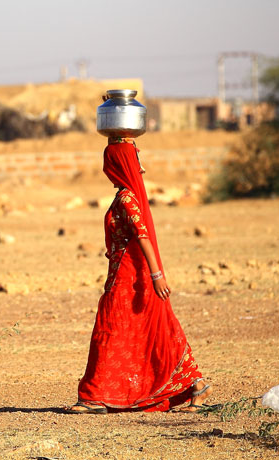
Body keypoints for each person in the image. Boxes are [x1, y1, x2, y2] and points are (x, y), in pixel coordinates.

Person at [67, 137, 212, 414]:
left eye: (109, 162)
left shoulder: (126, 198)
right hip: (124, 273)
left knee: (109, 330)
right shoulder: (125, 195)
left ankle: (94, 396)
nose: (105, 169)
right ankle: (196, 385)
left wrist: (156, 275)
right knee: (154, 327)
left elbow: (142, 236)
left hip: (129, 279)